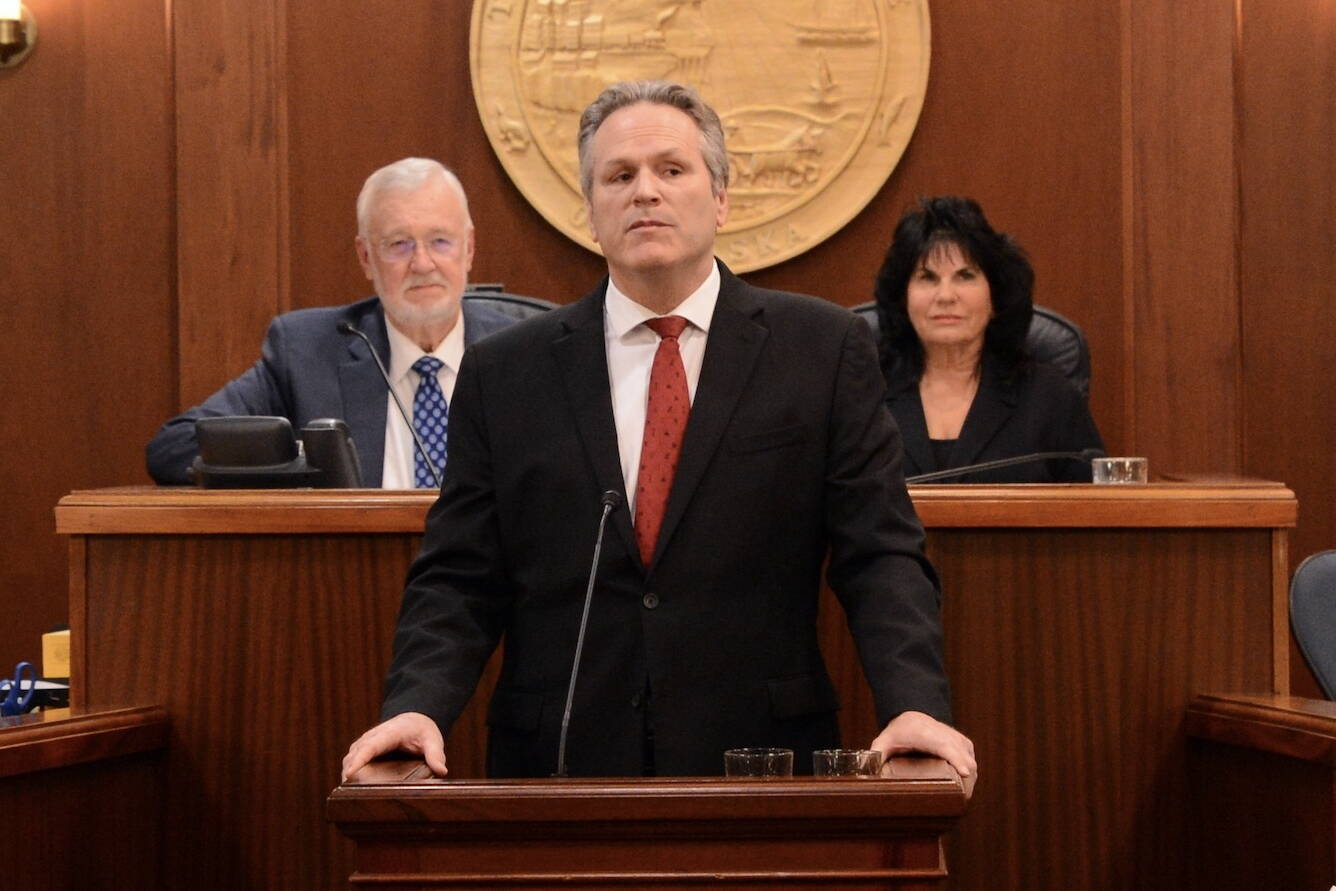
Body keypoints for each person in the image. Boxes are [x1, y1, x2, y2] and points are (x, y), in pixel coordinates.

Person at [342, 82, 976, 783]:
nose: (645, 191)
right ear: (590, 211)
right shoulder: (506, 373)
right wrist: (417, 705)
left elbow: (880, 552)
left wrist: (916, 703)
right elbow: (460, 574)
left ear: (722, 197)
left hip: (759, 761)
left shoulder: (820, 350)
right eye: (619, 175)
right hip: (558, 767)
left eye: (671, 170)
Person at [145, 158, 517, 488]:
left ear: (468, 248)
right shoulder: (307, 352)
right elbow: (173, 446)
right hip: (355, 565)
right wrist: (305, 462)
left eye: (440, 241)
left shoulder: (522, 355)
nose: (422, 263)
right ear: (366, 258)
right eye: (398, 244)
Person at [873, 196, 1103, 483]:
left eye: (965, 276)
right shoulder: (865, 396)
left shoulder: (1048, 397)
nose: (945, 296)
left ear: (996, 296)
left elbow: (1094, 511)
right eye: (927, 278)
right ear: (902, 297)